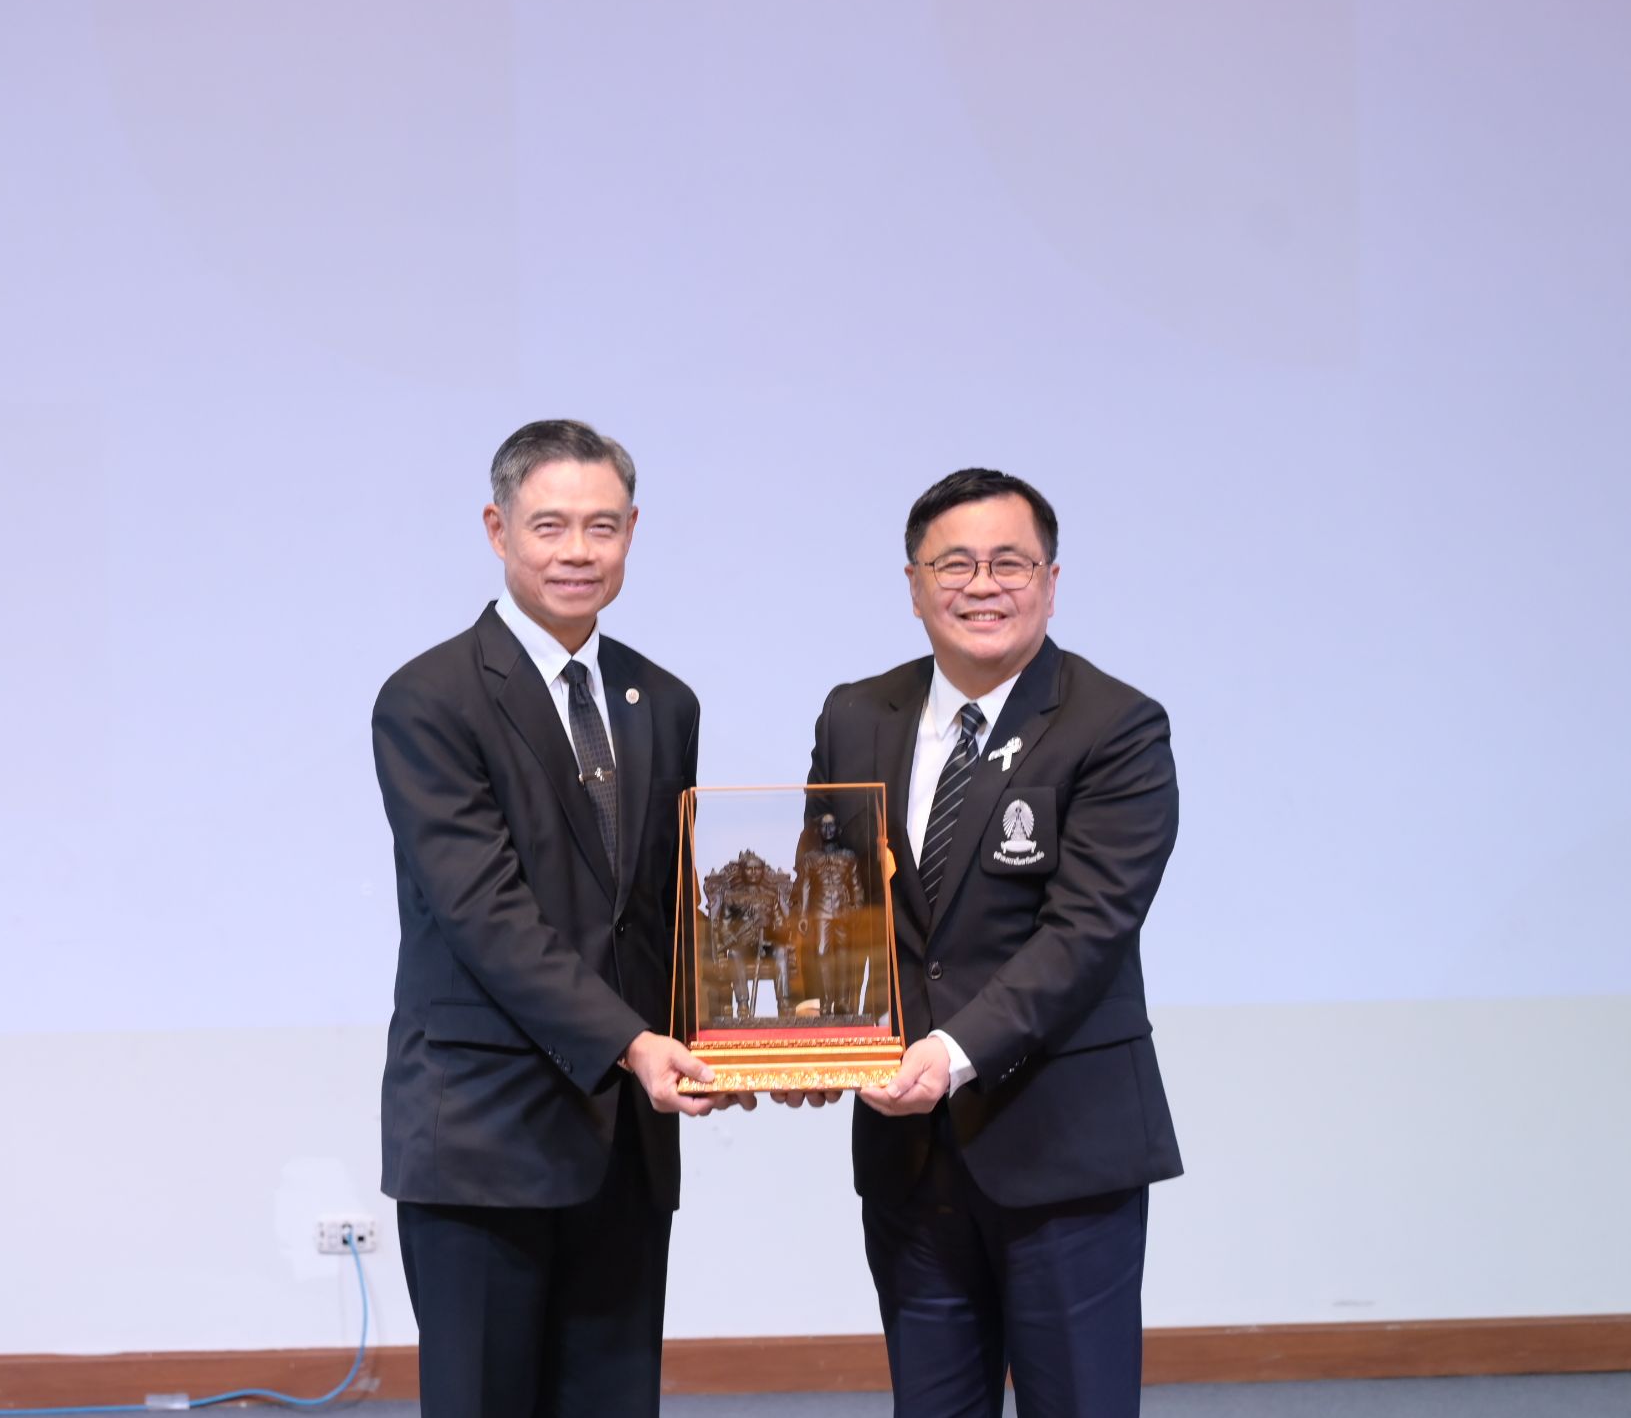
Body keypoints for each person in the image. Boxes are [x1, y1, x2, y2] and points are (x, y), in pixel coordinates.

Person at [799, 467, 1182, 1418]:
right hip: (908, 1154)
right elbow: (832, 901)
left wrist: (949, 1052)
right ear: (913, 583)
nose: (982, 585)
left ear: (1050, 580)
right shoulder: (856, 714)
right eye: (954, 564)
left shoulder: (1114, 725)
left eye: (1009, 563)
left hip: (1062, 1147)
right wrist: (812, 1026)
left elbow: (1085, 929)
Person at [372, 419, 736, 1418]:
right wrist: (634, 1043)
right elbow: (483, 912)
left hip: (625, 1144)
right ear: (498, 530)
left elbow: (659, 912)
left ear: (631, 533)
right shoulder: (430, 699)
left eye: (601, 526)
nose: (578, 551)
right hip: (483, 1137)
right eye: (549, 526)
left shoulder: (663, 701)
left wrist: (727, 1041)